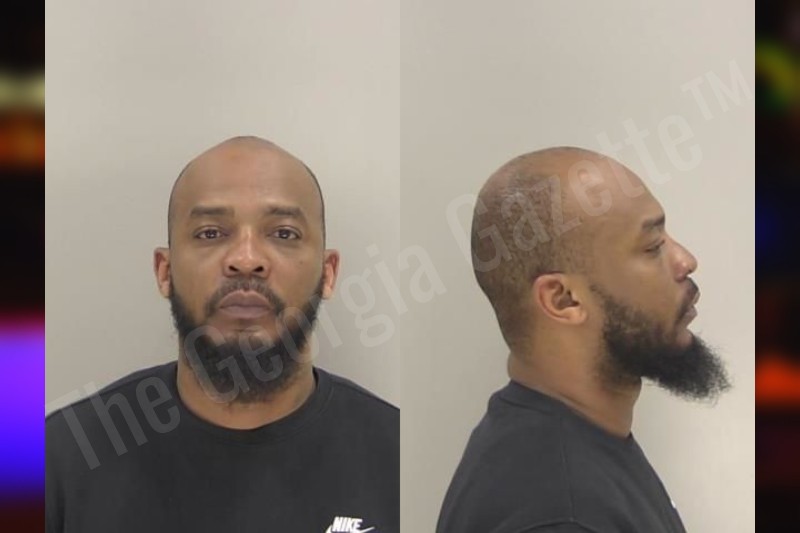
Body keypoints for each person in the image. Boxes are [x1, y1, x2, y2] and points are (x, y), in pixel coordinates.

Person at [46, 136, 399, 533]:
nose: (246, 260)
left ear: (328, 272)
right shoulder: (62, 459)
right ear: (165, 271)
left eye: (283, 233)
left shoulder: (396, 456)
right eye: (211, 233)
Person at [436, 147, 730, 533]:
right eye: (653, 246)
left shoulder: (578, 440)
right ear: (564, 300)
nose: (686, 260)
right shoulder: (562, 512)